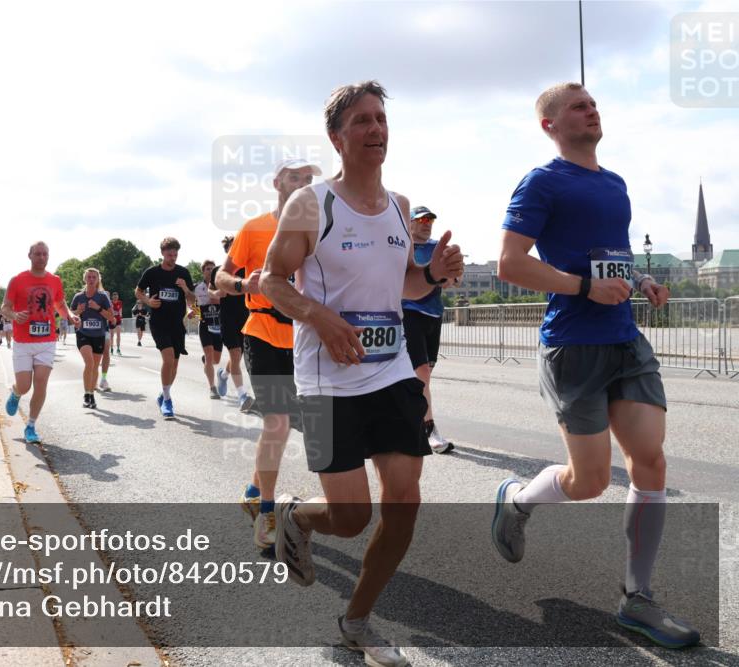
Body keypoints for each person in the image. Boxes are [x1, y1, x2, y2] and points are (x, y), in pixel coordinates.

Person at [261, 81, 463, 666]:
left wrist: (435, 275)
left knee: (404, 501)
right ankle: (296, 516)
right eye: (363, 122)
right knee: (350, 519)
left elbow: (404, 283)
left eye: (381, 120)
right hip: (324, 379)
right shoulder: (311, 205)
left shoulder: (400, 205)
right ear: (337, 138)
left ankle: (357, 620)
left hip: (391, 368)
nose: (376, 130)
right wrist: (319, 316)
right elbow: (273, 281)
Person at [491, 82, 699, 649]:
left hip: (624, 341)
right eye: (578, 107)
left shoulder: (614, 184)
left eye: (594, 105)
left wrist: (641, 280)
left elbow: (614, 258)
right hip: (573, 347)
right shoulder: (542, 181)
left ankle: (638, 600)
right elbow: (511, 263)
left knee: (650, 461)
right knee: (589, 482)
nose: (592, 111)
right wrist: (584, 287)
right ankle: (518, 499)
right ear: (550, 125)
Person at [215, 156, 321, 553]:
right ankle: (268, 510)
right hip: (261, 333)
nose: (304, 184)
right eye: (296, 177)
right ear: (277, 181)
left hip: (305, 339)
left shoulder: (318, 230)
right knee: (277, 422)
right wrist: (245, 284)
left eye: (310, 179)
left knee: (293, 424)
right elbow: (221, 278)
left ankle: (254, 489)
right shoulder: (255, 227)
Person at [1, 241, 79, 444]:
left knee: (41, 382)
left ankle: (31, 425)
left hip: (46, 340)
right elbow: (5, 307)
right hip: (23, 341)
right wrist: (15, 315)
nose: (42, 257)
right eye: (38, 254)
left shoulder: (54, 280)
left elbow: (59, 304)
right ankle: (16, 391)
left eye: (45, 254)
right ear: (29, 255)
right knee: (25, 386)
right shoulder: (17, 280)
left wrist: (70, 316)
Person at [401, 205, 460, 454]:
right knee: (422, 372)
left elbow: (455, 281)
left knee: (424, 376)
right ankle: (428, 429)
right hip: (408, 313)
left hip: (433, 315)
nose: (427, 223)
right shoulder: (403, 246)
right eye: (421, 219)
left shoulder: (439, 248)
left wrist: (451, 277)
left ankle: (410, 419)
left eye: (430, 220)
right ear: (410, 223)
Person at [135, 237, 196, 419]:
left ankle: (163, 394)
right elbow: (137, 290)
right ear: (162, 253)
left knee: (174, 365)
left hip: (177, 324)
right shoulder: (153, 272)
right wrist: (147, 301)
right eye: (170, 254)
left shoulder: (183, 272)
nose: (173, 257)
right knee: (168, 359)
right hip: (159, 322)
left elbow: (192, 299)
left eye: (175, 254)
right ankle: (168, 401)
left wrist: (185, 289)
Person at [214, 236, 253, 411]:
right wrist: (217, 293)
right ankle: (242, 395)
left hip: (245, 317)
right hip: (227, 318)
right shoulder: (219, 271)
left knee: (236, 357)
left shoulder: (248, 269)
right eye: (232, 248)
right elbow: (210, 290)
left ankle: (223, 374)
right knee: (236, 353)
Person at [71, 268, 113, 408]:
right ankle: (86, 394)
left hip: (99, 335)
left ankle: (91, 394)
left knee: (94, 366)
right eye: (89, 277)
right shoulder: (78, 297)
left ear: (98, 279)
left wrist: (98, 308)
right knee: (89, 363)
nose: (91, 279)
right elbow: (70, 317)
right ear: (85, 279)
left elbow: (111, 317)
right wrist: (78, 311)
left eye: (94, 277)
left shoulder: (102, 297)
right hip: (83, 334)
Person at [195, 260, 225, 400]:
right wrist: (192, 311)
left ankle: (212, 367)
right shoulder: (198, 288)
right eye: (207, 269)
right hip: (205, 325)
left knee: (216, 360)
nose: (210, 271)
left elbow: (222, 301)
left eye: (213, 268)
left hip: (218, 327)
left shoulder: (222, 285)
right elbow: (192, 303)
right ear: (203, 271)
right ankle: (212, 388)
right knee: (208, 356)